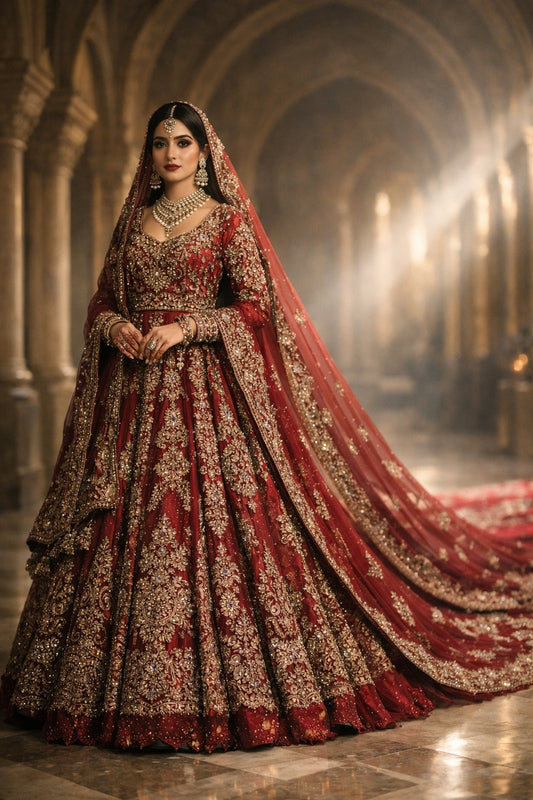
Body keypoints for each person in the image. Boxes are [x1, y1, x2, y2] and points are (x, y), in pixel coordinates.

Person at [2, 101, 532, 753]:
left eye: (184, 143)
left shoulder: (225, 222)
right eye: (161, 142)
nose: (171, 153)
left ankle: (234, 686)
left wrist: (188, 326)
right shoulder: (132, 223)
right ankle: (100, 690)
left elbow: (256, 308)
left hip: (208, 399)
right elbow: (106, 301)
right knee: (124, 534)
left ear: (204, 153)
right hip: (135, 409)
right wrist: (119, 328)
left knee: (227, 534)